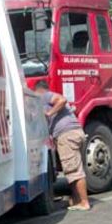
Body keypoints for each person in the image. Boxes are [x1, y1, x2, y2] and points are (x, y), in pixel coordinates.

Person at [34, 81, 90, 211]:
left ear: (38, 90)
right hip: (76, 132)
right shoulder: (46, 98)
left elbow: (62, 100)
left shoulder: (45, 96)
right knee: (73, 168)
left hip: (67, 135)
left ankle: (84, 202)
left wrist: (49, 113)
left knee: (74, 171)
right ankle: (76, 200)